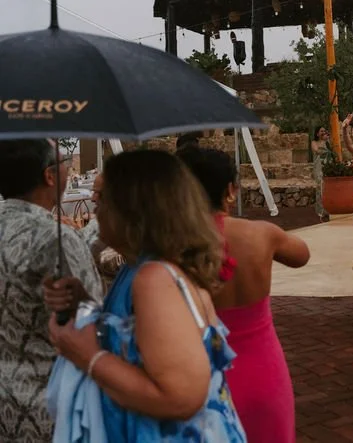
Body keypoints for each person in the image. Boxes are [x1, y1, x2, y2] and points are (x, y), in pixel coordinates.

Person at [46, 149, 246, 440]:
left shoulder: (154, 279)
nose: (95, 207)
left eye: (104, 199)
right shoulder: (141, 268)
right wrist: (83, 302)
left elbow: (181, 397)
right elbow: (138, 337)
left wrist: (86, 355)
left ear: (132, 212)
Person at [176, 146, 311, 442]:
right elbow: (302, 254)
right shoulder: (261, 233)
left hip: (203, 374)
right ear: (230, 189)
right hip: (264, 371)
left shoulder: (173, 247)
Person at [0, 140, 102, 442]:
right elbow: (92, 319)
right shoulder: (53, 237)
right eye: (66, 165)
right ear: (49, 176)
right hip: (49, 403)